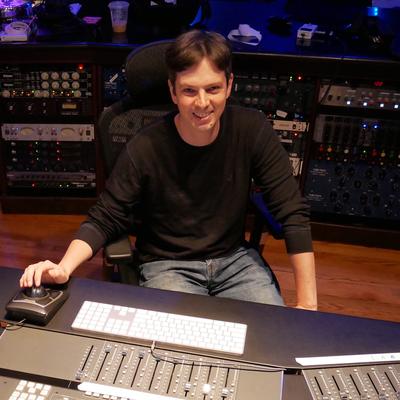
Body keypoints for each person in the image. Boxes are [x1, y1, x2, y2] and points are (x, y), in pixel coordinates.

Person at [20, 30, 317, 310]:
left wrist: (308, 305)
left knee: (267, 336)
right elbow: (105, 217)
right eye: (189, 90)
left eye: (213, 88)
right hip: (167, 265)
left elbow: (292, 212)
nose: (203, 102)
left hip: (235, 261)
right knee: (178, 342)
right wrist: (63, 267)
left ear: (229, 86)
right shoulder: (145, 146)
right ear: (173, 91)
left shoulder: (252, 129)